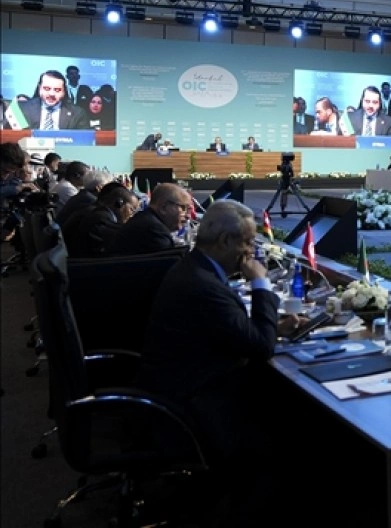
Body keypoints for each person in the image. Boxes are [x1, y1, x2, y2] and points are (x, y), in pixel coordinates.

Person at [136, 200, 299, 522]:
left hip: (181, 386)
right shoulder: (203, 285)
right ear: (225, 241)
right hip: (196, 404)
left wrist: (271, 327)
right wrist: (260, 283)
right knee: (297, 423)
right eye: (248, 242)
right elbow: (260, 347)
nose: (251, 252)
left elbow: (229, 331)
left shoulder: (194, 268)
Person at [108, 183, 187, 256]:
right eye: (183, 208)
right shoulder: (155, 230)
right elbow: (169, 264)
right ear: (163, 208)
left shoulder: (145, 219)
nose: (187, 215)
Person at [64, 183, 139, 258]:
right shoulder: (101, 218)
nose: (132, 215)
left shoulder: (100, 213)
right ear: (119, 203)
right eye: (132, 210)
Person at [21, 70, 89, 131]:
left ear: (63, 92)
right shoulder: (21, 109)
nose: (52, 94)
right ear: (39, 88)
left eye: (57, 90)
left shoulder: (78, 113)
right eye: (47, 89)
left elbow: (83, 139)